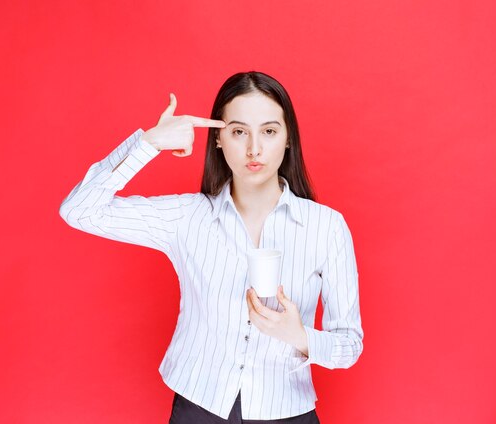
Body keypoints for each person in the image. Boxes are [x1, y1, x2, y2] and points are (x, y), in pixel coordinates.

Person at [60, 71, 363, 423]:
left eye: (269, 131)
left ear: (288, 138)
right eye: (238, 131)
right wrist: (148, 144)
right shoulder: (187, 217)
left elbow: (350, 345)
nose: (254, 148)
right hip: (198, 408)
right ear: (218, 139)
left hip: (287, 411)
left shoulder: (326, 227)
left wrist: (299, 336)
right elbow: (78, 211)